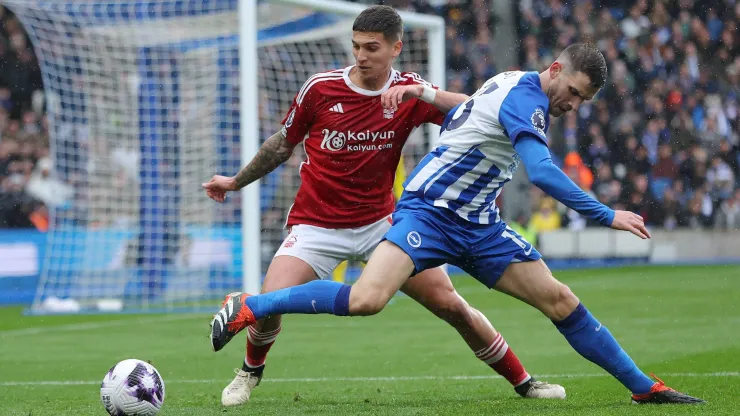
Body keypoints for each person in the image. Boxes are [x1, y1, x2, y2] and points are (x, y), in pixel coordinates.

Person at [210, 42, 705, 405]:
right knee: (367, 300)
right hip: (428, 211)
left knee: (558, 299)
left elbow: (467, 108)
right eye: (572, 92)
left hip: (479, 224)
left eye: (582, 101)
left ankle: (644, 388)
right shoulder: (526, 99)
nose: (573, 105)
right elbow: (542, 172)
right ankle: (252, 305)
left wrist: (422, 92)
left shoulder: (512, 81)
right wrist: (606, 214)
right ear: (555, 71)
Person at [203, 5, 564, 407]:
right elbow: (282, 144)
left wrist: (423, 92)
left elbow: (475, 107)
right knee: (269, 303)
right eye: (356, 46)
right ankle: (250, 372)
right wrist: (235, 181)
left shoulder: (407, 91)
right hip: (316, 225)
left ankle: (524, 381)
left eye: (371, 48)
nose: (361, 56)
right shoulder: (320, 89)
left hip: (383, 225)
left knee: (451, 305)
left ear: (395, 48)